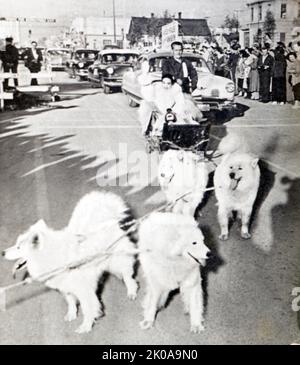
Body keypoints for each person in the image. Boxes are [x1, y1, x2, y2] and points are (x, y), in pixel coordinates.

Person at [138, 61, 202, 136]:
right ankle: (154, 132)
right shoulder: (158, 89)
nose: (166, 85)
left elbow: (180, 102)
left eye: (168, 84)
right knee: (157, 121)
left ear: (172, 84)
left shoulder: (176, 89)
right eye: (164, 83)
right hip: (161, 111)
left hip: (174, 112)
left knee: (183, 119)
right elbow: (156, 101)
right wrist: (162, 111)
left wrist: (174, 111)